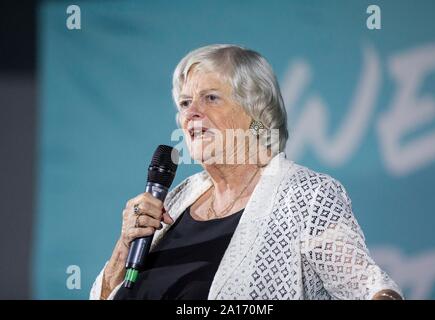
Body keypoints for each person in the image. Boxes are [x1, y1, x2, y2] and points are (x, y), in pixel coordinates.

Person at [90, 44, 403, 300]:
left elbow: (366, 286)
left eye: (210, 97)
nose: (191, 112)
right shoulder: (179, 198)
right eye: (184, 103)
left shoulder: (306, 196)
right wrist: (123, 248)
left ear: (257, 112)